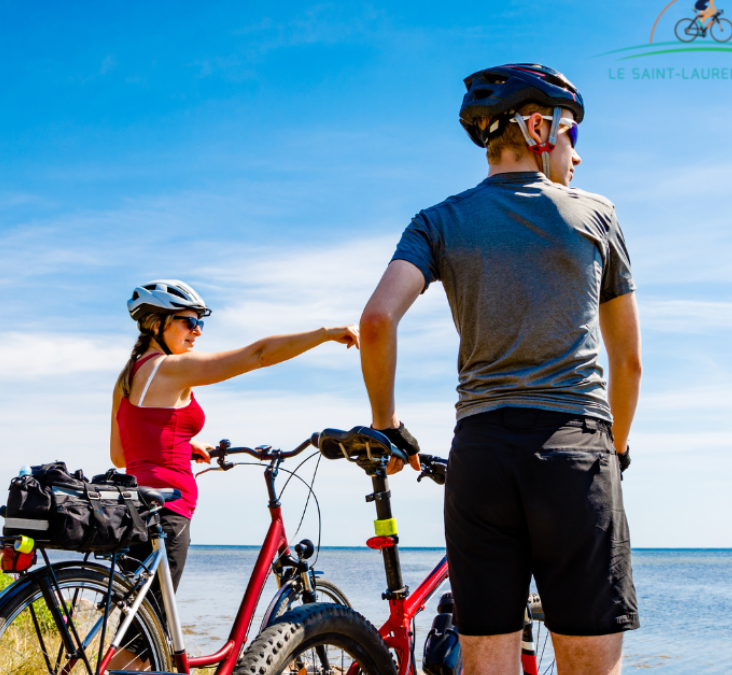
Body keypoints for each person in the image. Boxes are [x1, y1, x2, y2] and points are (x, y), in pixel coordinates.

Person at [359, 64, 641, 675]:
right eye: (573, 135)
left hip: (480, 455)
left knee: (486, 662)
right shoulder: (598, 216)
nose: (579, 156)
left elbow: (376, 321)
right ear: (539, 127)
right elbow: (630, 362)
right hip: (574, 447)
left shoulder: (437, 220)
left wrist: (388, 424)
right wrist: (613, 450)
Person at [109, 279, 359, 669]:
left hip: (131, 507)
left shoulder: (126, 378)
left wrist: (181, 442)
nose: (198, 331)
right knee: (140, 647)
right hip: (168, 512)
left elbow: (122, 454)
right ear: (155, 323)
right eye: (188, 322)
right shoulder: (172, 369)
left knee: (138, 626)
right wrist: (325, 334)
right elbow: (257, 354)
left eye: (200, 323)